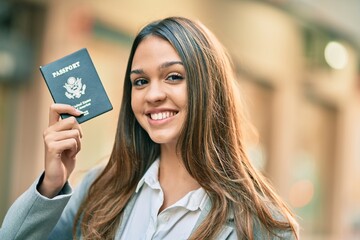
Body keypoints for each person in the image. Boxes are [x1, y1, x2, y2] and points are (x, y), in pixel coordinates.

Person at [0, 16, 299, 239]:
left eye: (173, 77)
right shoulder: (101, 188)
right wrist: (50, 186)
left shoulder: (262, 224)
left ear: (210, 88)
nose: (153, 95)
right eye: (140, 82)